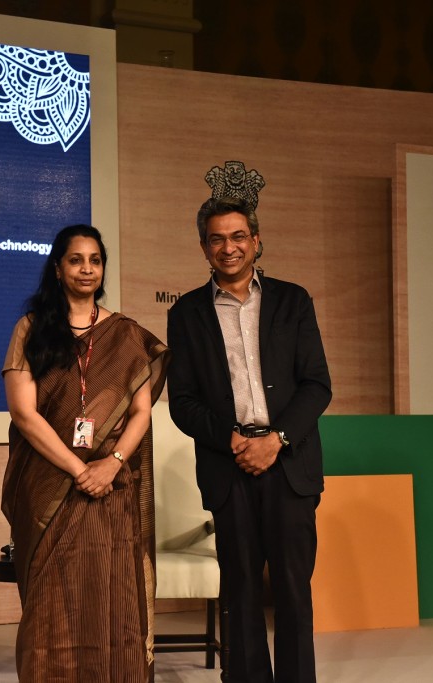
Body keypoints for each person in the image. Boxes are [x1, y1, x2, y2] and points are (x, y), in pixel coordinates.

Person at [167, 196, 332, 683]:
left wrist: (275, 439)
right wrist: (235, 440)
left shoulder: (293, 300)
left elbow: (317, 385)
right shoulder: (187, 315)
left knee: (292, 593)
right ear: (204, 247)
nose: (229, 247)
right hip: (228, 465)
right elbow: (184, 401)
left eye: (239, 236)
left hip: (290, 464)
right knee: (239, 596)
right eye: (217, 238)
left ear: (256, 241)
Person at [1, 224, 169, 682]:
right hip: (50, 484)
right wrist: (80, 469)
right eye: (76, 260)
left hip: (111, 488)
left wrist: (111, 464)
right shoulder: (32, 329)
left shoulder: (126, 335)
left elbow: (140, 412)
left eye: (95, 260)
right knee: (50, 601)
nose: (86, 269)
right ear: (58, 269)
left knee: (110, 595)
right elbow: (24, 413)